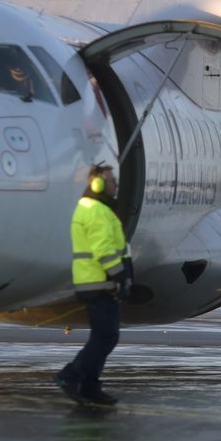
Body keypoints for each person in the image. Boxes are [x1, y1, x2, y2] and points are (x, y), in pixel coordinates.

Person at [54, 164, 133, 405]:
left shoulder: (93, 208)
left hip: (97, 282)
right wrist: (119, 276)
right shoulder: (97, 210)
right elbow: (104, 250)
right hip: (99, 283)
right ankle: (70, 375)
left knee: (104, 336)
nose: (115, 185)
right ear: (96, 184)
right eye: (111, 181)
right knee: (106, 337)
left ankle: (90, 386)